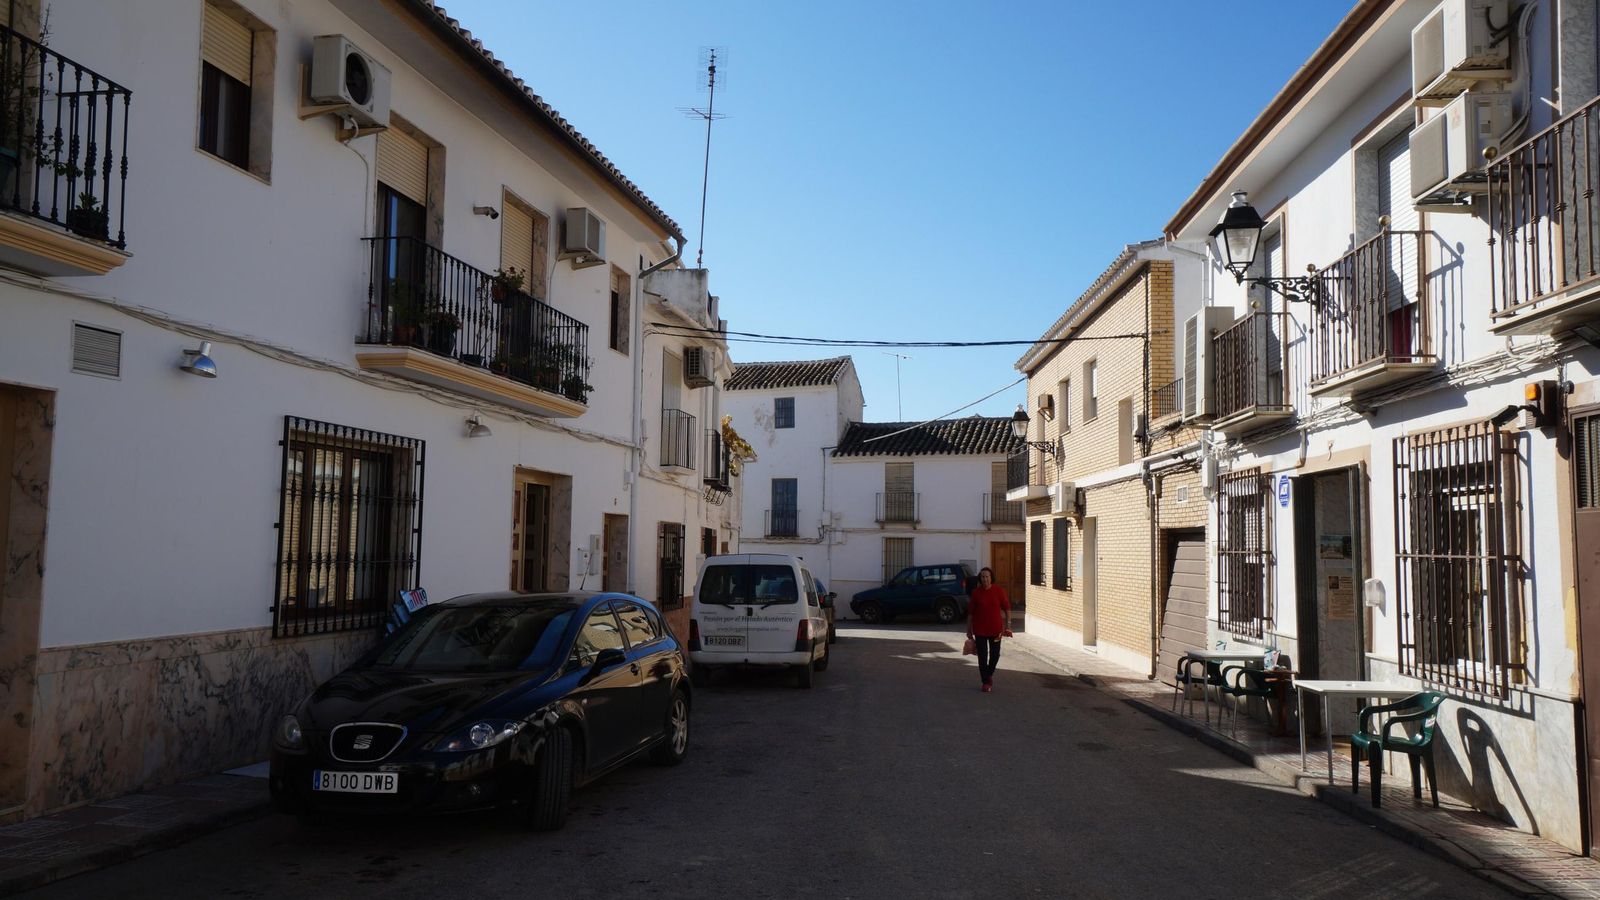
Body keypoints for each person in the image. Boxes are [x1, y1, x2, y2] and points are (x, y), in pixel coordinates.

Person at [965, 567, 1012, 693]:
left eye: (987, 576)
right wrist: (969, 629)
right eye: (982, 577)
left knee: (995, 655)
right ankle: (986, 682)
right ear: (980, 579)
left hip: (996, 630)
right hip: (980, 630)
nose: (985, 579)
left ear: (991, 578)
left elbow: (1007, 608)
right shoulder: (976, 593)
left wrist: (1008, 625)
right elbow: (970, 613)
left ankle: (988, 675)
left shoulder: (999, 591)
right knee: (982, 656)